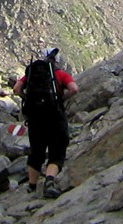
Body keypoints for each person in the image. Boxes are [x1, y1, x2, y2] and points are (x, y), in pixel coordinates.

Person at [14, 46, 78, 197]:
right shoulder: (60, 74)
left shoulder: (31, 73)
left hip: (35, 117)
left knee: (36, 151)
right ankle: (49, 181)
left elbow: (16, 89)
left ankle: (32, 186)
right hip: (55, 116)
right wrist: (61, 100)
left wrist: (28, 99)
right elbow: (74, 89)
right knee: (57, 151)